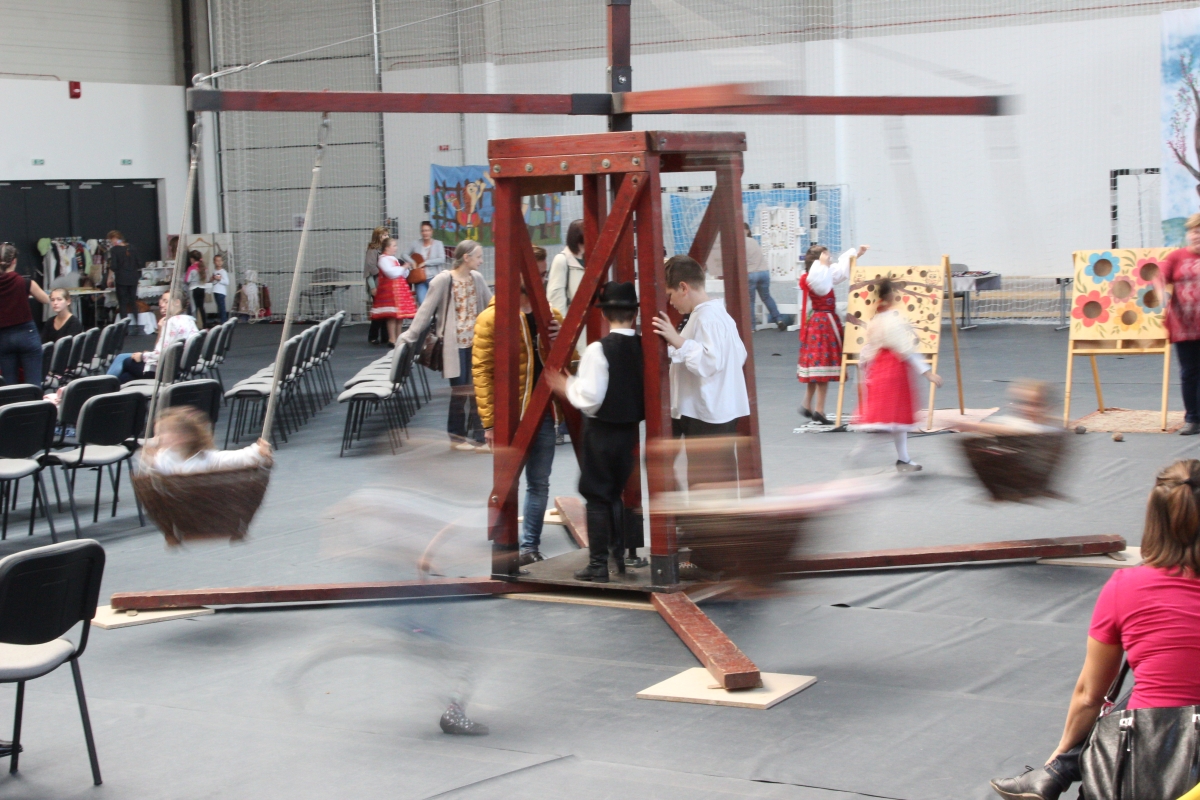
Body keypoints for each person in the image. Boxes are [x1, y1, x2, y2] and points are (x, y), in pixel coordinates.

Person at [990, 459, 1200, 800]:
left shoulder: (1127, 586)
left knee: (1145, 688)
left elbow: (1090, 694)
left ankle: (1055, 772)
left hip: (1146, 751)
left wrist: (1059, 755)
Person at [547, 281, 644, 582]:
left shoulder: (598, 350)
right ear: (634, 314)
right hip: (629, 432)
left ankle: (598, 564)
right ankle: (618, 559)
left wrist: (568, 386)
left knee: (596, 493)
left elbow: (591, 397)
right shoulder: (643, 346)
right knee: (614, 493)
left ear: (604, 314)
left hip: (601, 433)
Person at [473, 261, 566, 565]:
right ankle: (506, 543)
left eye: (544, 273)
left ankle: (529, 547)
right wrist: (490, 423)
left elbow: (570, 364)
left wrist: (561, 339)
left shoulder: (551, 316)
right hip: (510, 418)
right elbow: (482, 372)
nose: (542, 278)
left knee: (539, 483)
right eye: (537, 272)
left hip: (544, 415)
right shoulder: (491, 318)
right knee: (507, 483)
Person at [650, 255, 750, 489]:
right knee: (712, 480)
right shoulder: (714, 314)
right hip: (713, 410)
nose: (670, 302)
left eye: (670, 294)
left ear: (683, 288)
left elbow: (709, 363)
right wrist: (677, 348)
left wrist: (677, 341)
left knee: (708, 483)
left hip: (709, 413)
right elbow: (737, 355)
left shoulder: (707, 318)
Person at [400, 240, 491, 450]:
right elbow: (425, 311)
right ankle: (457, 438)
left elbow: (491, 304)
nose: (481, 261)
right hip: (454, 346)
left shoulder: (477, 278)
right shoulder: (443, 280)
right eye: (478, 256)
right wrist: (409, 337)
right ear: (466, 258)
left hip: (476, 344)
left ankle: (482, 438)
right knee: (460, 391)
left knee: (479, 390)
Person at [852, 278, 942, 472]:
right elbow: (906, 350)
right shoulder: (893, 319)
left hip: (879, 368)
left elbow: (869, 348)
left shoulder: (876, 319)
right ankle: (864, 450)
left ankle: (903, 459)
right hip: (893, 371)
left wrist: (863, 368)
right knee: (890, 418)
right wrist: (927, 373)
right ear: (890, 295)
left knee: (895, 420)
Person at [798, 243, 869, 425]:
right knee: (822, 367)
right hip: (822, 323)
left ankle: (807, 403)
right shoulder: (816, 276)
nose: (829, 259)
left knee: (817, 366)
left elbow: (838, 271)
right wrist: (822, 263)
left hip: (822, 322)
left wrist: (857, 254)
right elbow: (822, 285)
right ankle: (819, 409)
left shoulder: (822, 273)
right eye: (826, 256)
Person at [1158, 213, 1200, 435]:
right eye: (1194, 231)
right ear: (1188, 234)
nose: (1197, 235)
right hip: (1184, 326)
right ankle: (1192, 419)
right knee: (1189, 373)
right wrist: (1161, 298)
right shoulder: (1176, 257)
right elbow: (1158, 278)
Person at [140, 406, 272, 474]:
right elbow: (158, 476)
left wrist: (257, 452)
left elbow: (233, 458)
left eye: (163, 433)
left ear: (183, 436)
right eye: (157, 434)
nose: (158, 438)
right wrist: (151, 462)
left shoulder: (205, 458)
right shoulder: (164, 457)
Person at [107, 291, 199, 385]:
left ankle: (105, 385)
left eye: (166, 301)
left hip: (165, 371)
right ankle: (110, 388)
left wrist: (142, 356)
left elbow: (161, 354)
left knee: (126, 361)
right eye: (161, 301)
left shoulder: (171, 323)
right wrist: (160, 330)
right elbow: (161, 349)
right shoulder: (189, 320)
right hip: (178, 369)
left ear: (177, 302)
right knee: (127, 376)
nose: (161, 305)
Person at [0, 243, 50, 387]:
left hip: (3, 338)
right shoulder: (25, 282)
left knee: (10, 387)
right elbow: (46, 299)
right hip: (26, 335)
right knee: (34, 384)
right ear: (14, 261)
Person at [371, 237, 418, 345]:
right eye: (394, 246)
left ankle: (398, 337)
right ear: (387, 247)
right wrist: (403, 267)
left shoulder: (393, 259)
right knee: (392, 316)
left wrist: (405, 269)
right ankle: (392, 338)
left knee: (399, 316)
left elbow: (403, 274)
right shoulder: (383, 259)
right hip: (390, 290)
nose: (396, 248)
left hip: (399, 289)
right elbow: (391, 273)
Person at [745, 223, 787, 331]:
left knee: (750, 301)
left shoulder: (740, 243)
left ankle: (751, 327)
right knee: (766, 297)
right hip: (764, 272)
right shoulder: (754, 241)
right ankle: (779, 319)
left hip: (751, 273)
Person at [547, 219, 584, 318]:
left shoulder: (589, 259)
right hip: (571, 320)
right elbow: (556, 298)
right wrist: (562, 324)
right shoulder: (561, 260)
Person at [405, 221, 447, 306]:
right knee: (423, 304)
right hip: (419, 279)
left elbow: (442, 259)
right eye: (423, 231)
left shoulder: (438, 243)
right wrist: (412, 262)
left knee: (435, 305)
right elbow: (404, 254)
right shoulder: (415, 243)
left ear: (431, 231)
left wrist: (426, 263)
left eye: (427, 230)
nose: (425, 233)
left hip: (434, 278)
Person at [106, 230, 140, 329]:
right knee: (133, 302)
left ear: (115, 239)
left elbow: (113, 266)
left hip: (121, 279)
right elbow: (139, 263)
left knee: (122, 303)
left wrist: (109, 278)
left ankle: (124, 328)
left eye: (111, 240)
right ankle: (137, 325)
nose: (111, 243)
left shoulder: (115, 250)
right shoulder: (132, 248)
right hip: (133, 278)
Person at [364, 226, 388, 345]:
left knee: (386, 311)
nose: (386, 237)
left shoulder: (386, 250)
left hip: (385, 284)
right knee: (378, 312)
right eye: (384, 235)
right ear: (378, 236)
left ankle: (385, 336)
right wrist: (372, 287)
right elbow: (369, 270)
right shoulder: (372, 250)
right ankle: (373, 336)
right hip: (376, 284)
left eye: (387, 235)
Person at [210, 254, 230, 324]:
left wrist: (219, 279)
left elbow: (227, 282)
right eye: (217, 261)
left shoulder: (223, 271)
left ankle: (224, 322)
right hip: (215, 291)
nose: (219, 262)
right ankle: (221, 320)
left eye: (220, 261)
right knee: (219, 307)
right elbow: (213, 281)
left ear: (222, 262)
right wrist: (212, 279)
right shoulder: (214, 271)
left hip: (221, 292)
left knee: (222, 307)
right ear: (214, 262)